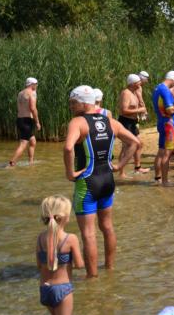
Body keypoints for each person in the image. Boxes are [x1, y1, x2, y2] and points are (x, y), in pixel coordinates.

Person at [63, 85, 140, 278]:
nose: (71, 106)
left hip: (87, 182)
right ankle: (110, 269)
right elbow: (135, 143)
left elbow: (68, 148)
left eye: (73, 103)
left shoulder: (77, 122)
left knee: (88, 233)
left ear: (83, 103)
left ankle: (92, 278)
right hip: (107, 180)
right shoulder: (111, 122)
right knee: (107, 227)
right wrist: (119, 165)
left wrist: (70, 173)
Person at [36, 195, 84, 314]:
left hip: (44, 288)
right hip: (63, 288)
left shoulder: (40, 238)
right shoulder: (71, 238)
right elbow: (79, 265)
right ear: (65, 217)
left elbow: (39, 265)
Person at [116, 74, 149, 177]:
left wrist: (141, 112)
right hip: (125, 122)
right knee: (126, 147)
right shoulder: (126, 93)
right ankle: (121, 172)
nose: (140, 83)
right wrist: (139, 110)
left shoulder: (134, 92)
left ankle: (137, 168)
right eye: (139, 82)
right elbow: (124, 110)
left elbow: (137, 105)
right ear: (133, 83)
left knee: (139, 144)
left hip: (133, 122)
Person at [9, 77, 41, 167]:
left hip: (20, 120)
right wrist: (37, 122)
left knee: (32, 141)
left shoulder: (20, 93)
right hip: (27, 121)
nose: (37, 86)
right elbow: (33, 108)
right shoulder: (32, 93)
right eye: (36, 84)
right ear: (32, 84)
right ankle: (12, 162)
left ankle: (31, 162)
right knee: (23, 144)